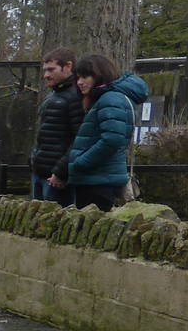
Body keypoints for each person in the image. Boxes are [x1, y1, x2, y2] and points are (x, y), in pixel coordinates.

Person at [59, 53, 147, 212]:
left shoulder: (110, 99)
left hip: (98, 181)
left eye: (85, 77)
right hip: (96, 178)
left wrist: (81, 162)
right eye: (78, 77)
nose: (79, 82)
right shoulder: (105, 99)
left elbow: (112, 139)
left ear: (100, 76)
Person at [32, 47, 81, 205]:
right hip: (40, 173)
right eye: (45, 70)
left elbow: (79, 139)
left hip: (57, 179)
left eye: (51, 70)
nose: (46, 75)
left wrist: (61, 172)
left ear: (68, 66)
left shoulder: (75, 97)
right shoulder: (54, 95)